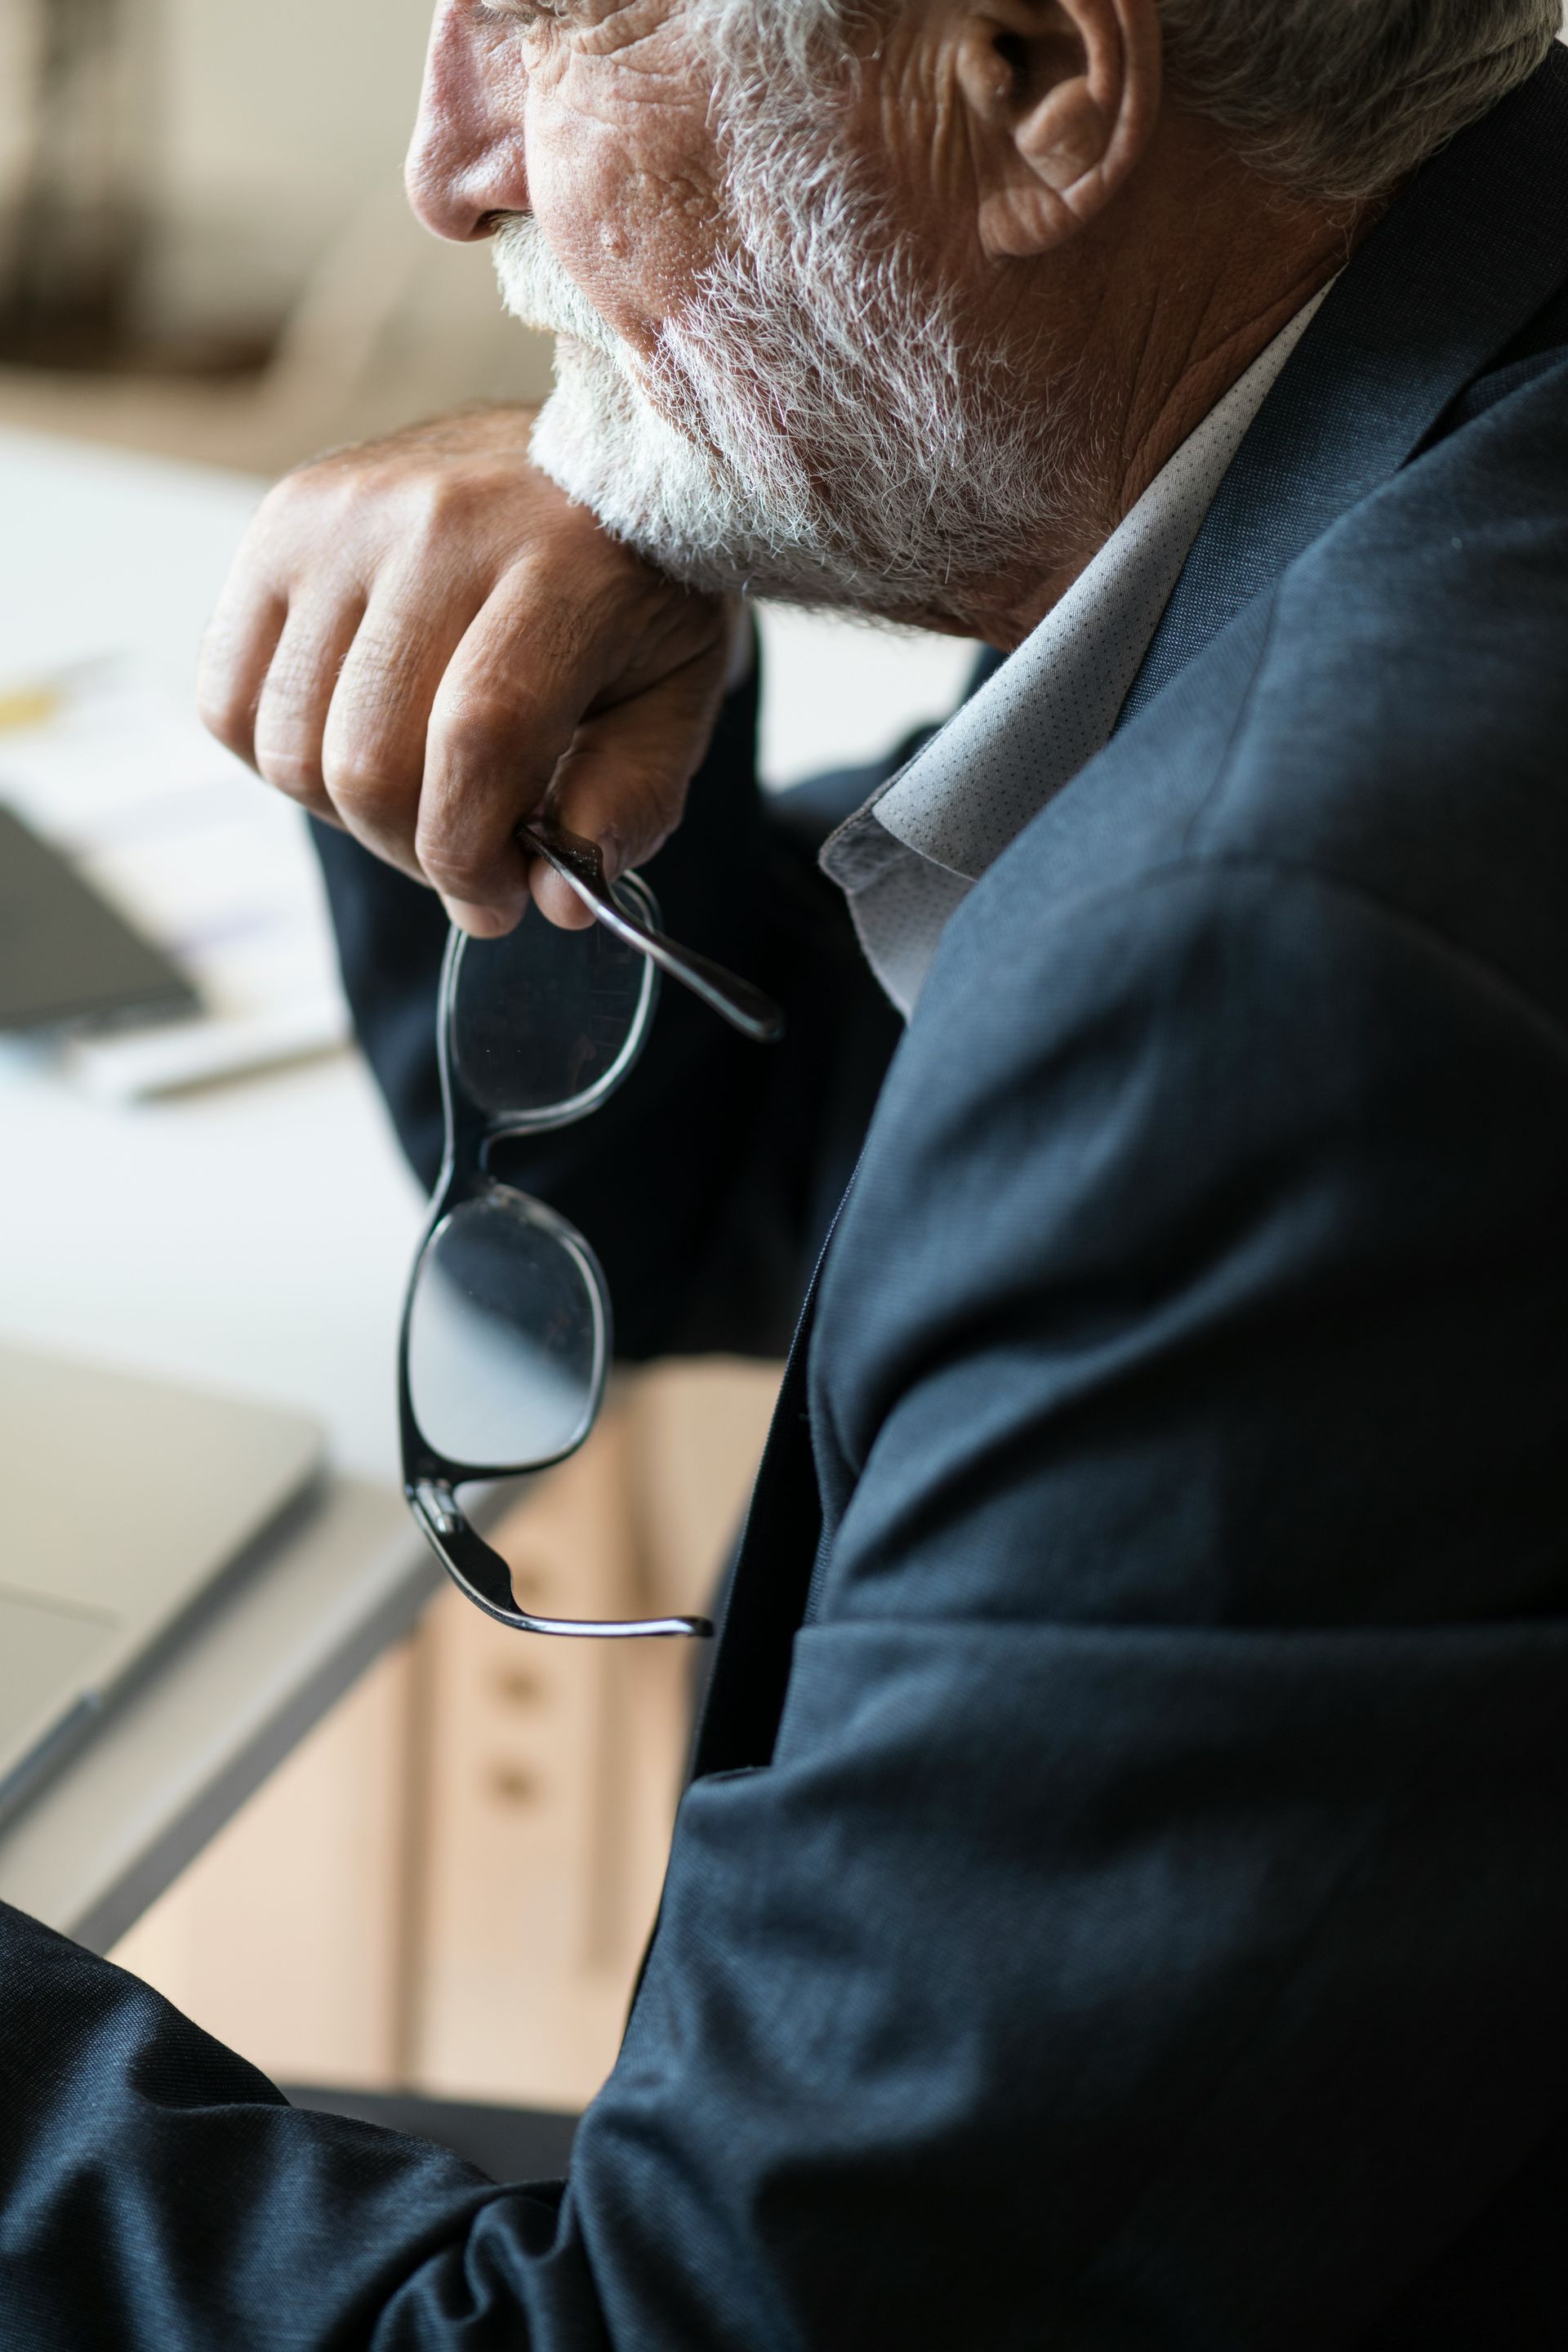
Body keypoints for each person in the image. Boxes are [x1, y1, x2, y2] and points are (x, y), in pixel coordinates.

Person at [3, 1, 1566, 2342]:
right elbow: (763, 1181)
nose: (451, 164)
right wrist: (601, 581)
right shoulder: (1416, 430)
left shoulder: (1278, 977)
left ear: (1039, 74)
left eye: (544, 25)